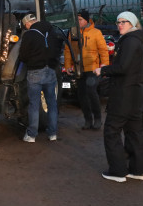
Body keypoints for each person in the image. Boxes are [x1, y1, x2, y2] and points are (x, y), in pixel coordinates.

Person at [93, 11, 143, 182]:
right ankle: (138, 170)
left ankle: (118, 171)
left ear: (132, 23)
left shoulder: (130, 42)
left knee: (112, 131)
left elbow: (123, 67)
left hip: (123, 95)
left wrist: (102, 70)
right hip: (136, 95)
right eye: (118, 22)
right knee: (135, 133)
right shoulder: (139, 41)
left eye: (124, 22)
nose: (120, 25)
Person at [64, 9, 109, 130]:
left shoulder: (96, 33)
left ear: (86, 20)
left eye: (80, 19)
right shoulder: (73, 32)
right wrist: (68, 65)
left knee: (91, 91)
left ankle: (98, 118)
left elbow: (103, 50)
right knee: (82, 94)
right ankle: (88, 120)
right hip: (79, 69)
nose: (77, 22)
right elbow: (68, 50)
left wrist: (104, 65)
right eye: (77, 19)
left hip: (92, 69)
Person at [18, 13, 59, 142]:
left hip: (35, 72)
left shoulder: (29, 35)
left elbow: (23, 56)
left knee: (34, 105)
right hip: (51, 71)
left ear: (28, 24)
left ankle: (31, 135)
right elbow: (58, 50)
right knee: (51, 104)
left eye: (26, 26)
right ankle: (52, 134)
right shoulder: (52, 32)